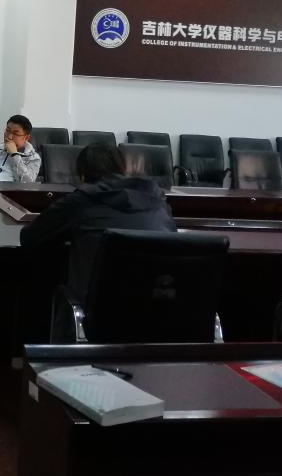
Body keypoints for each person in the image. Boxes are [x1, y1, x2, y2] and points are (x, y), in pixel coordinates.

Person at [17, 142, 177, 342]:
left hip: (98, 320)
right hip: (158, 318)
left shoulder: (81, 201)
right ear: (122, 169)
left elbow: (30, 238)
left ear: (83, 175)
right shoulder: (159, 202)